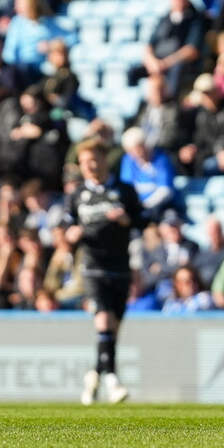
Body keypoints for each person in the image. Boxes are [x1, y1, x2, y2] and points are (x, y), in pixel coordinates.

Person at [63, 138, 147, 406]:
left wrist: (126, 220)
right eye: (83, 162)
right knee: (103, 320)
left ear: (104, 160)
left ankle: (94, 374)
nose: (89, 166)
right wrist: (70, 235)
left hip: (120, 266)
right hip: (91, 265)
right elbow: (64, 229)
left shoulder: (124, 190)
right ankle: (112, 380)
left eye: (93, 160)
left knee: (112, 331)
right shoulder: (77, 195)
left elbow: (143, 221)